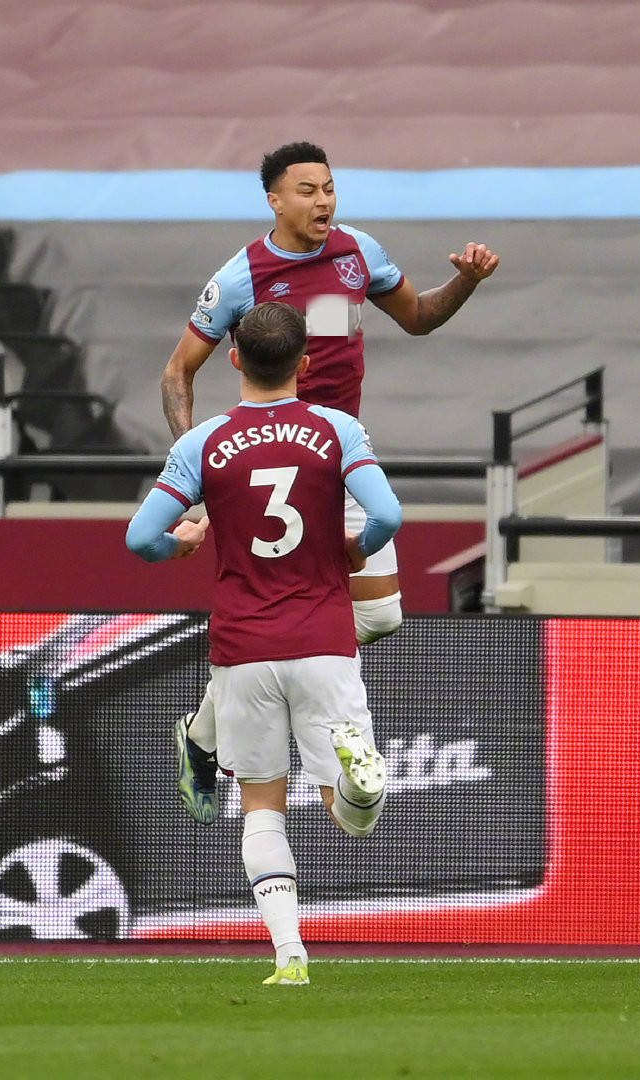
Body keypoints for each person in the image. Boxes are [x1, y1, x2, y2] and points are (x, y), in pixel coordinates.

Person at [160, 141, 499, 825]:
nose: (324, 202)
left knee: (381, 616)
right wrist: (196, 472)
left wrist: (466, 280)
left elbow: (419, 317)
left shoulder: (358, 254)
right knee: (310, 625)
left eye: (330, 188)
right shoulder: (240, 276)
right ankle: (241, 713)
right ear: (275, 201)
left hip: (340, 460)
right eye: (308, 190)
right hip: (268, 464)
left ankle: (205, 722)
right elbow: (177, 375)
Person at [128, 302, 404, 985]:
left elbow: (139, 538)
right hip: (324, 639)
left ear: (234, 359)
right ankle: (359, 786)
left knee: (260, 805)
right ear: (306, 363)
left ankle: (290, 954)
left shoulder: (202, 444)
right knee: (352, 821)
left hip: (243, 647)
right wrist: (354, 547)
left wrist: (182, 543)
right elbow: (390, 514)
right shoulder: (337, 428)